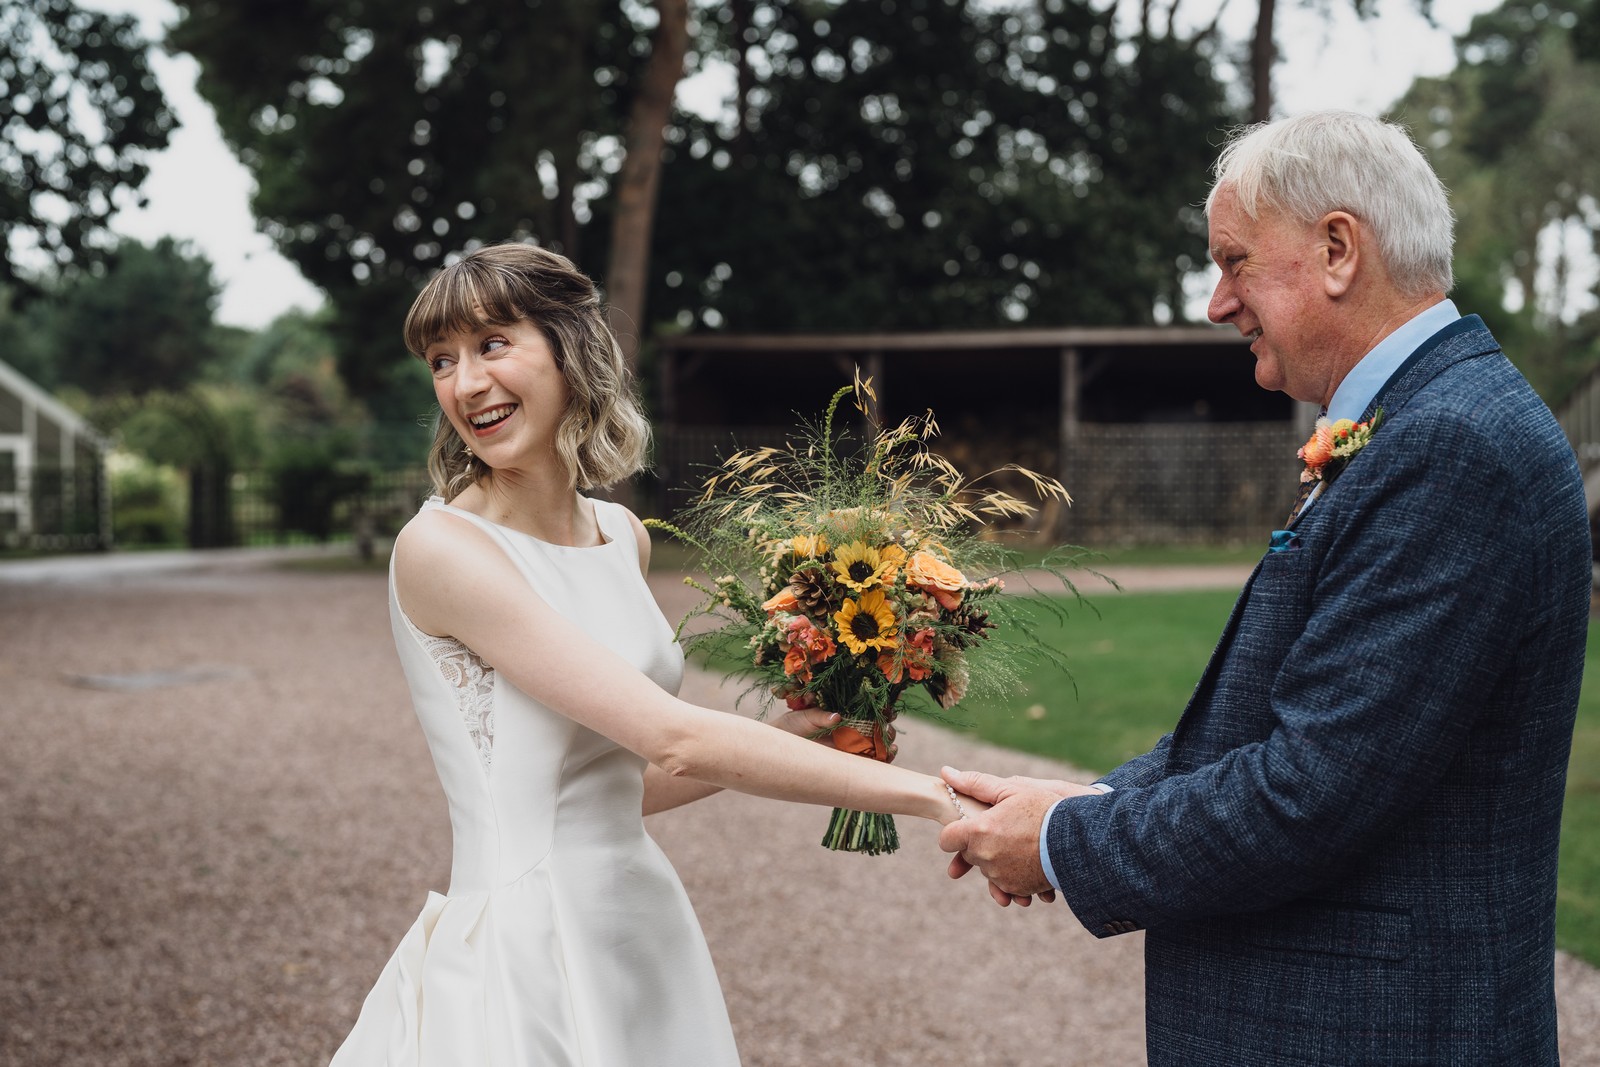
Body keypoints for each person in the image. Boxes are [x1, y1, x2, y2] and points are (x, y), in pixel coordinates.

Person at [939, 109, 1591, 1065]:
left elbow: (1309, 791)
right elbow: (1278, 727)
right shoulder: (1430, 419)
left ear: (1337, 250)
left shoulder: (1450, 445)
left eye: (1234, 260)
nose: (1216, 301)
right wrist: (1083, 797)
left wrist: (1062, 844)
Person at [328, 242, 975, 1066]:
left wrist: (795, 728)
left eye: (493, 344)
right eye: (441, 360)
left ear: (573, 349)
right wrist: (932, 796)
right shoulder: (442, 549)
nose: (465, 384)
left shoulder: (620, 535)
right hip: (530, 949)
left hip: (637, 923)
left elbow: (614, 787)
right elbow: (674, 733)